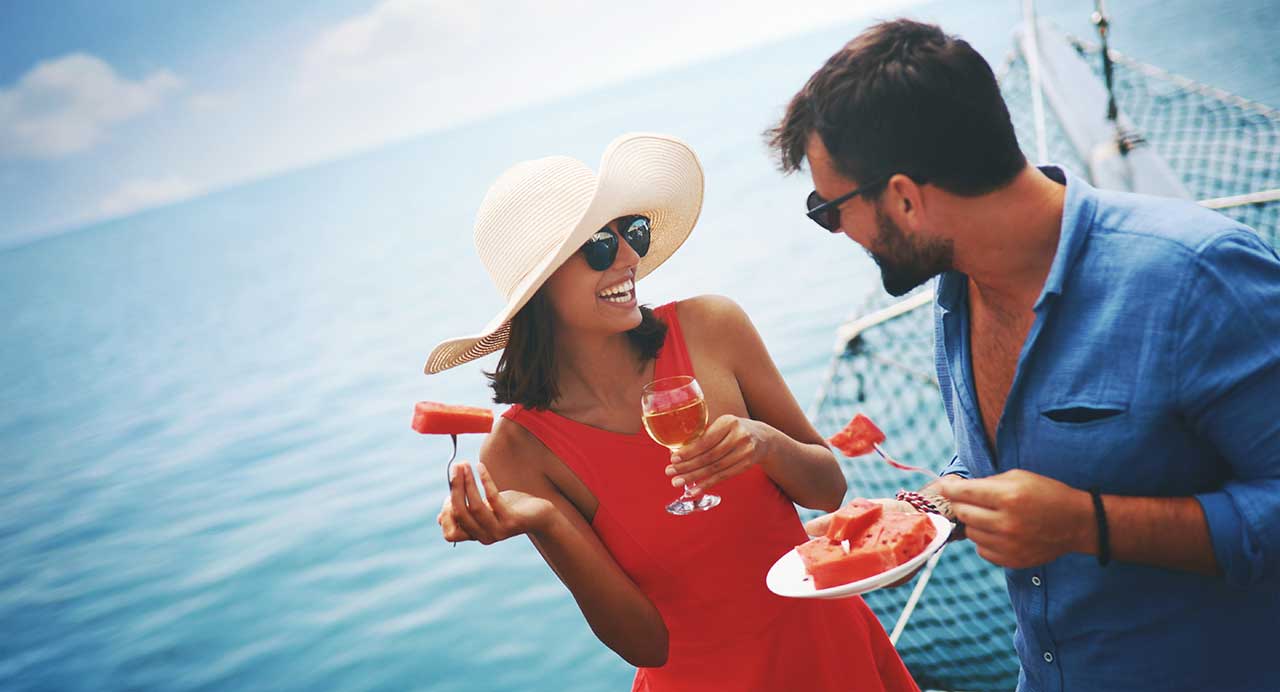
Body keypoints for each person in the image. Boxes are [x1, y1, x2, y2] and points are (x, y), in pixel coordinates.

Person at [767, 18, 1280, 692]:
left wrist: (1085, 523)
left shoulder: (1198, 277)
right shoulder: (955, 292)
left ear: (903, 198)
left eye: (828, 209)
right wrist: (922, 511)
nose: (837, 232)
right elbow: (1009, 467)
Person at [427, 133, 918, 691]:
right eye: (599, 246)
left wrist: (764, 444)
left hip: (831, 649)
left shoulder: (714, 327)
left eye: (630, 232)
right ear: (540, 286)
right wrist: (547, 521)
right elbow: (645, 645)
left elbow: (828, 490)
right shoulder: (518, 450)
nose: (632, 256)